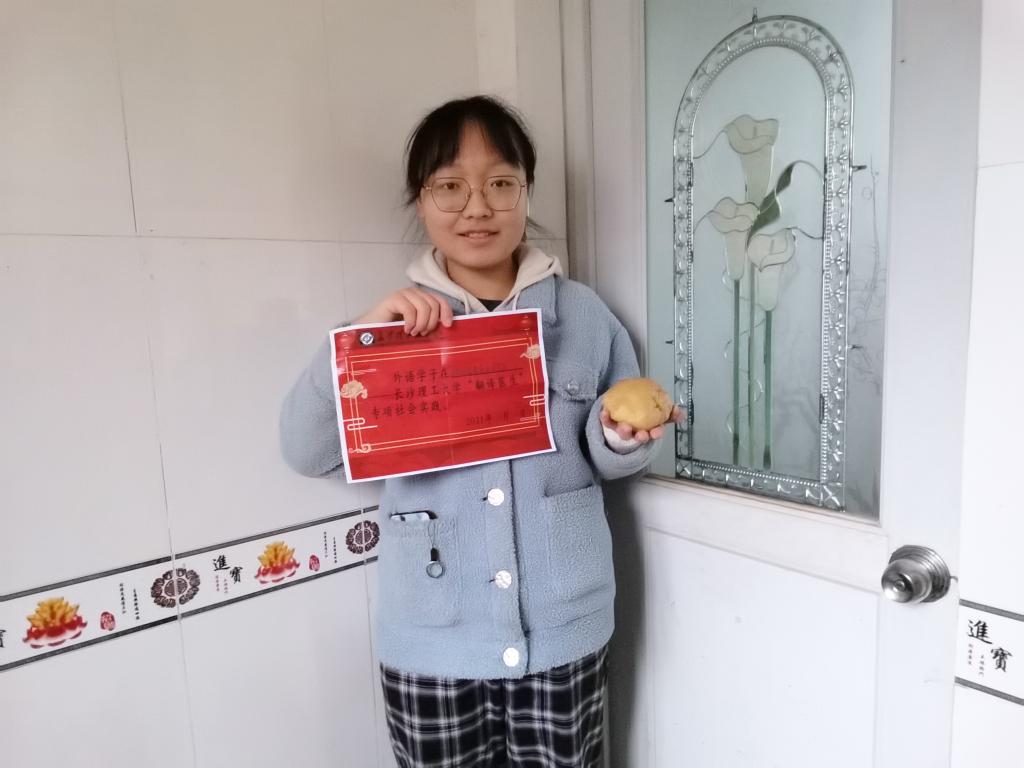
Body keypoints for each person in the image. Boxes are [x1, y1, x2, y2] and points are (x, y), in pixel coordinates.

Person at [280, 95, 679, 768]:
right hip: (433, 641)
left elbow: (608, 452)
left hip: (563, 632)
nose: (477, 207)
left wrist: (620, 440)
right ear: (420, 199)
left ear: (526, 191)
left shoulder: (583, 316)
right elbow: (306, 449)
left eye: (500, 183)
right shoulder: (390, 331)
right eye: (450, 186)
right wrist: (358, 341)